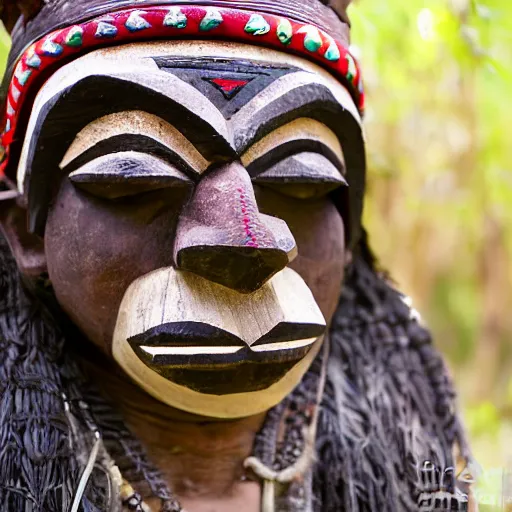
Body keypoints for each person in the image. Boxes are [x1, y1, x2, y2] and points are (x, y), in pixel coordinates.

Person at [0, 0, 476, 510]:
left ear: (349, 235)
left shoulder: (421, 470)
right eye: (135, 179)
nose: (245, 243)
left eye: (301, 183)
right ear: (26, 233)